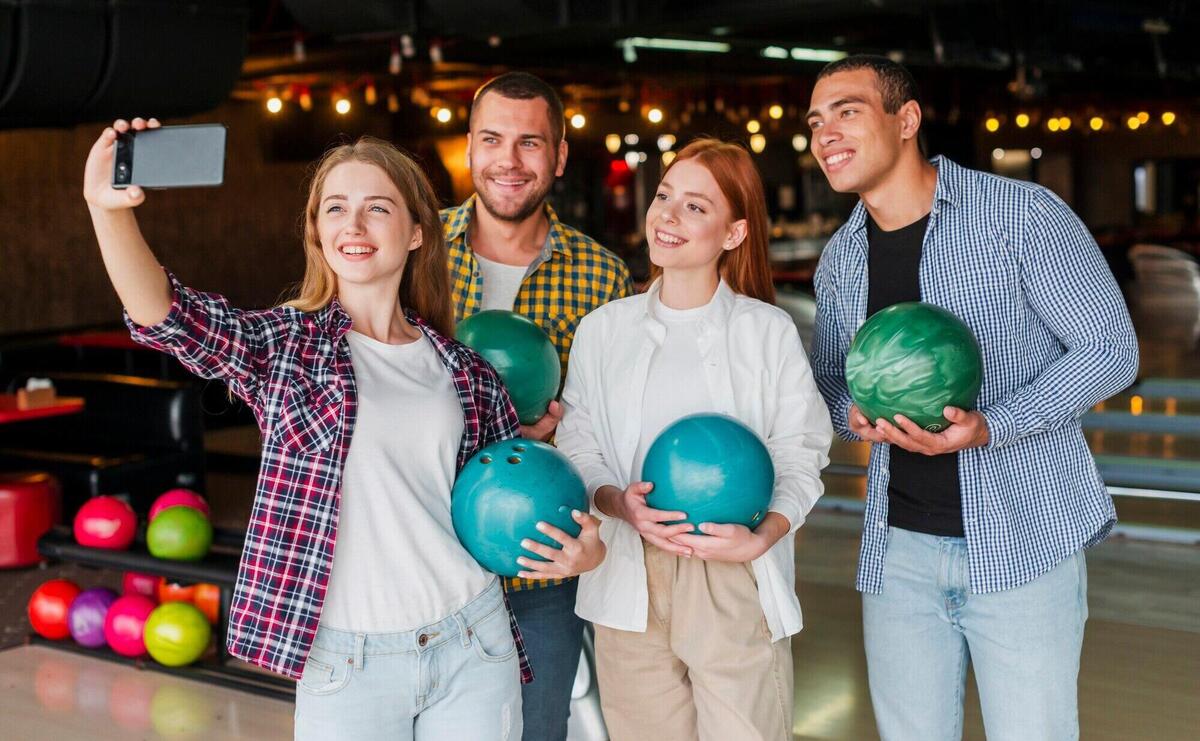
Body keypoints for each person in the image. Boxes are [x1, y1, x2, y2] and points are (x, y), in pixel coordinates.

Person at [84, 119, 531, 741]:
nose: (354, 225)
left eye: (378, 208)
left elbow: (507, 503)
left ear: (417, 233)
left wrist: (580, 539)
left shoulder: (466, 372)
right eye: (336, 209)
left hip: (472, 641)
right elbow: (166, 315)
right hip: (348, 660)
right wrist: (106, 210)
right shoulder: (286, 348)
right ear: (318, 234)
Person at [806, 55, 1139, 740]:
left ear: (907, 120)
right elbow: (832, 377)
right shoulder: (841, 260)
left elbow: (1111, 350)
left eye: (846, 111)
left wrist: (994, 424)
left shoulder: (1018, 215)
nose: (825, 133)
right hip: (899, 553)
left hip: (1021, 543)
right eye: (815, 121)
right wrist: (851, 412)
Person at [556, 138, 833, 741]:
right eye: (663, 197)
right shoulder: (603, 331)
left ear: (733, 234)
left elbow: (801, 450)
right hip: (628, 572)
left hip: (731, 569)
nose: (668, 215)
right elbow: (578, 445)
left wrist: (765, 533)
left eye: (696, 207)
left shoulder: (767, 331)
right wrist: (615, 501)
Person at [441, 71, 632, 740]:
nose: (509, 161)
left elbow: (611, 424)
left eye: (530, 142)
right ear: (469, 146)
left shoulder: (602, 274)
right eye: (492, 139)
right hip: (426, 554)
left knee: (534, 731)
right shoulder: (414, 252)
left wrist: (596, 537)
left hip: (541, 566)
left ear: (557, 156)